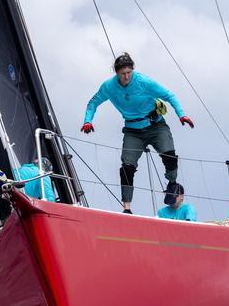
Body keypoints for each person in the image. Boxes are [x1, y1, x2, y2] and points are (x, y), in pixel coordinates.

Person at [81, 52, 194, 214]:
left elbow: (169, 95)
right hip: (133, 131)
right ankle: (127, 208)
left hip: (156, 125)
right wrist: (87, 121)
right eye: (122, 74)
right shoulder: (109, 87)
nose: (126, 77)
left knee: (169, 156)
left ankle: (172, 182)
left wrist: (181, 114)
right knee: (126, 168)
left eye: (129, 72)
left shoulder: (144, 82)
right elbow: (93, 103)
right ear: (116, 73)